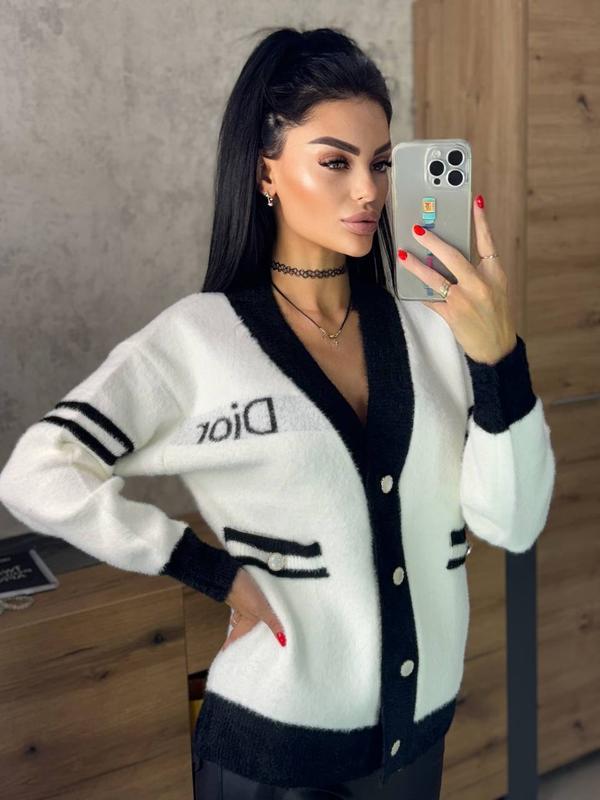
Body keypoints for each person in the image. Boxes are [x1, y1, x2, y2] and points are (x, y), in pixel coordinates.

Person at [0, 25, 556, 800]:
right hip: (268, 759)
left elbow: (515, 520)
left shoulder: (433, 331)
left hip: (415, 744)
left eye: (381, 163)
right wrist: (208, 570)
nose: (368, 191)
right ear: (266, 170)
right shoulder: (199, 340)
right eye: (335, 161)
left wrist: (498, 358)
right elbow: (37, 472)